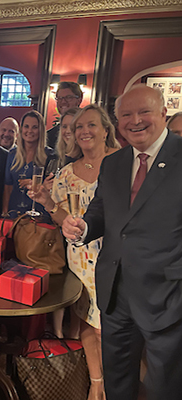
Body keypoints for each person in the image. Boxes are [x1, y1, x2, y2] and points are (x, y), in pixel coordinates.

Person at [62, 85, 182, 400]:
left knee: (163, 387)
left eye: (144, 112)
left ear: (163, 115)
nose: (135, 120)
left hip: (167, 296)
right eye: (126, 114)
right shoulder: (114, 163)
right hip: (115, 292)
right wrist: (83, 227)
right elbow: (101, 210)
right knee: (117, 379)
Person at [31, 104, 120, 400]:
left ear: (106, 130)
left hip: (116, 256)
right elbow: (61, 215)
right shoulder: (67, 173)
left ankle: (115, 383)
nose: (84, 131)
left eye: (91, 125)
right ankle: (96, 383)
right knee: (85, 321)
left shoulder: (123, 164)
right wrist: (48, 203)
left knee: (107, 327)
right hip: (80, 258)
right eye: (79, 127)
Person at [2, 110, 53, 219]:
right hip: (14, 213)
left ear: (41, 130)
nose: (30, 131)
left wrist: (36, 185)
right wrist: (5, 211)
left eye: (34, 127)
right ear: (21, 130)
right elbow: (8, 186)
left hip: (39, 215)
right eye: (26, 126)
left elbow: (54, 188)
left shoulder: (49, 155)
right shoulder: (12, 154)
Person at [47, 82, 83, 149]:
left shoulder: (86, 131)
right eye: (60, 98)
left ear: (79, 100)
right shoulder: (49, 136)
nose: (63, 102)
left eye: (68, 97)